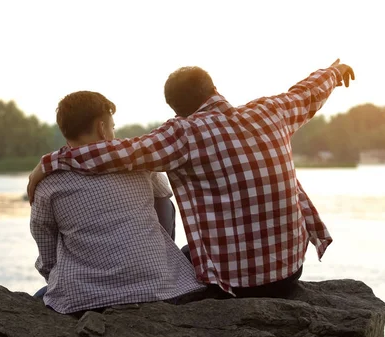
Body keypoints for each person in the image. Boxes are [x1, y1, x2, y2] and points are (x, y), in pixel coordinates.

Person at [27, 59, 355, 298]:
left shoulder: (181, 134)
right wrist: (333, 72)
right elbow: (308, 92)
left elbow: (116, 153)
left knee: (177, 256)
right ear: (214, 89)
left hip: (231, 284)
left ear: (176, 111)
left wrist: (50, 162)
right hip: (289, 272)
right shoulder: (272, 110)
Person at [30, 90, 204, 315]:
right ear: (102, 128)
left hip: (82, 297)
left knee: (40, 297)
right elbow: (163, 199)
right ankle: (154, 260)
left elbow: (45, 245)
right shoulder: (133, 160)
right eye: (112, 127)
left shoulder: (46, 183)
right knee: (164, 202)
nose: (113, 133)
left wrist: (55, 277)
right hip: (157, 287)